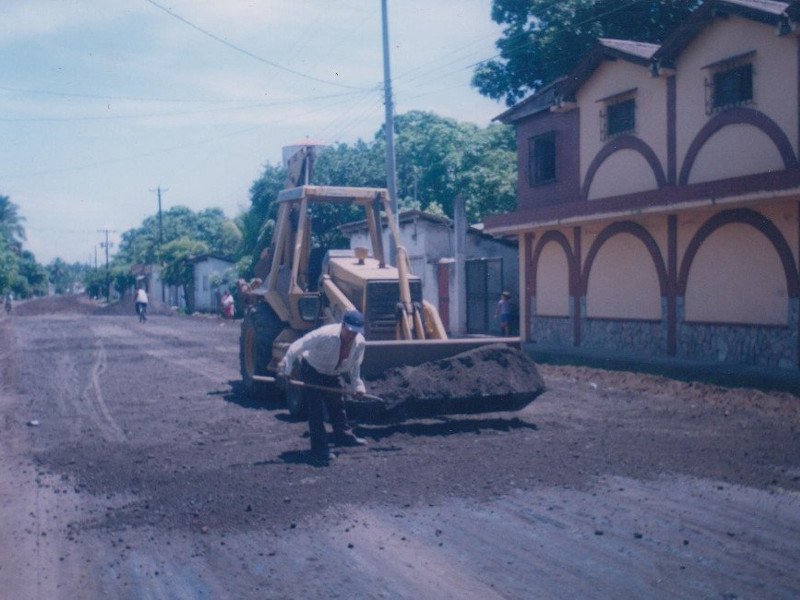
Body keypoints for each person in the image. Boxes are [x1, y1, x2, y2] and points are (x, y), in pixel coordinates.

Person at [278, 310, 368, 464]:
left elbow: (355, 366)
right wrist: (286, 371)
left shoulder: (359, 342)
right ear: (343, 325)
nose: (352, 335)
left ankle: (344, 437)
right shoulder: (325, 335)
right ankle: (319, 449)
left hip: (333, 373)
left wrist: (357, 386)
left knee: (337, 405)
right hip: (313, 370)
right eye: (350, 331)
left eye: (356, 332)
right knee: (316, 410)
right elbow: (296, 347)